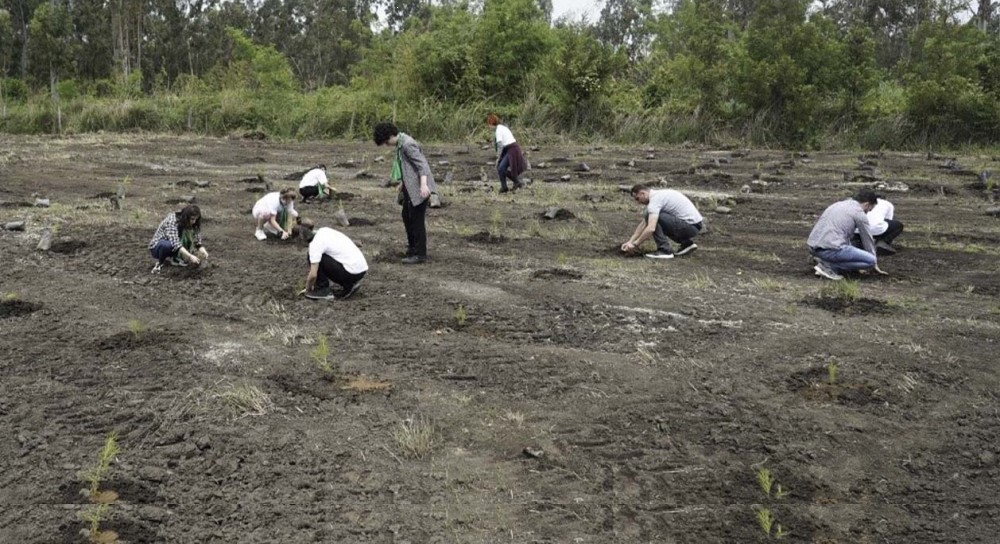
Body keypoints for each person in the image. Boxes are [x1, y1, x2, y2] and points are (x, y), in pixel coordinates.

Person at [374, 122, 436, 264]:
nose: (386, 145)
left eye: (385, 141)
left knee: (416, 219)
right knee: (406, 215)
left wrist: (424, 185)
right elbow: (407, 166)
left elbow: (422, 165)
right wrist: (403, 183)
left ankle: (420, 254)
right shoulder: (400, 144)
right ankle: (413, 247)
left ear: (390, 136)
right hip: (411, 185)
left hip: (420, 186)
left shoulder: (407, 144)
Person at [808, 189, 887, 280]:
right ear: (867, 204)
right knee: (870, 261)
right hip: (830, 248)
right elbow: (867, 239)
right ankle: (829, 266)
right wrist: (875, 262)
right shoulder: (859, 213)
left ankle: (823, 260)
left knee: (848, 246)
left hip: (813, 246)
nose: (867, 212)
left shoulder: (837, 205)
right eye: (869, 210)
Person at [621, 184, 704, 259]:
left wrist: (635, 244)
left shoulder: (655, 201)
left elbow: (651, 228)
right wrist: (630, 241)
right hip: (695, 225)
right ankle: (687, 244)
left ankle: (664, 250)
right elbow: (644, 223)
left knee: (655, 219)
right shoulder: (658, 195)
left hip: (690, 226)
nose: (638, 202)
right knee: (650, 216)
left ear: (643, 193)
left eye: (637, 198)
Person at [299, 222, 368, 300]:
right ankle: (349, 285)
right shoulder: (324, 230)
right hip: (361, 270)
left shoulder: (315, 244)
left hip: (351, 273)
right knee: (326, 256)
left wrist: (307, 289)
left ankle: (323, 290)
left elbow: (313, 274)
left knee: (315, 258)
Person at [148, 204, 208, 273]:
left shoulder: (192, 224)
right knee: (167, 245)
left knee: (188, 234)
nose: (194, 222)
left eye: (196, 219)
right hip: (158, 247)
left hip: (174, 246)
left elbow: (197, 241)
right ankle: (160, 263)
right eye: (192, 219)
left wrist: (202, 250)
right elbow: (175, 243)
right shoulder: (172, 220)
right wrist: (190, 256)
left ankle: (176, 258)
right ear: (186, 217)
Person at [487, 113, 526, 193]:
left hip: (512, 149)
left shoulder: (498, 130)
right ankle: (506, 186)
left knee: (501, 167)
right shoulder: (502, 128)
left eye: (489, 125)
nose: (488, 127)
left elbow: (500, 145)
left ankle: (515, 183)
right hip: (510, 149)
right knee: (500, 168)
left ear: (491, 124)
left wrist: (498, 158)